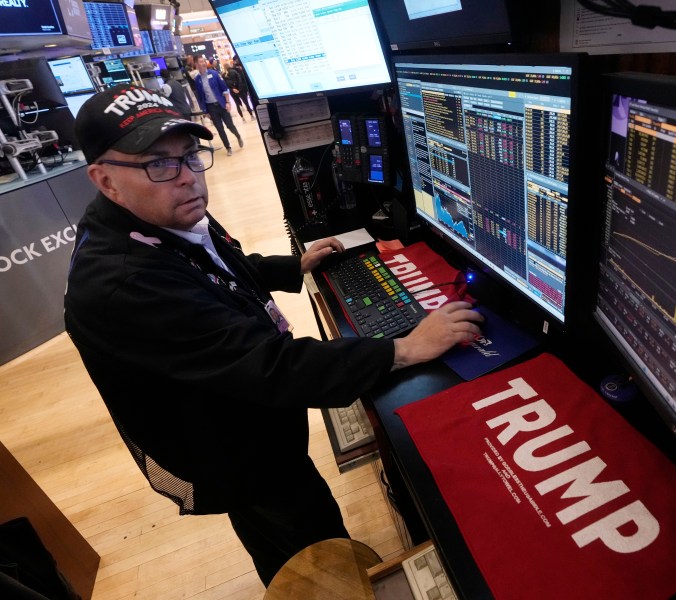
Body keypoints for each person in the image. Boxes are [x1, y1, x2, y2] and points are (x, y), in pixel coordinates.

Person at [64, 84, 484, 587]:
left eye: (191, 156)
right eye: (159, 164)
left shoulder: (159, 211)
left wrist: (293, 266)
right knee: (312, 550)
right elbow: (270, 367)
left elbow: (216, 271)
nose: (188, 177)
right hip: (226, 451)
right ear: (104, 179)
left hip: (241, 417)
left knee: (282, 533)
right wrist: (407, 347)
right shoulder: (121, 283)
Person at [192, 56, 243, 156]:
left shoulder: (214, 74)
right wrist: (205, 111)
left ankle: (238, 136)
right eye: (201, 62)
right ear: (196, 65)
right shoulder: (197, 80)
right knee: (220, 129)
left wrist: (228, 102)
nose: (203, 63)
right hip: (211, 108)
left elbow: (224, 88)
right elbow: (200, 97)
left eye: (204, 61)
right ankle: (228, 147)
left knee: (230, 125)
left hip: (222, 105)